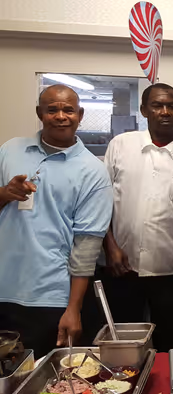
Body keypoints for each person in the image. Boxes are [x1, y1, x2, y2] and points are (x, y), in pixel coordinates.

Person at [86, 83, 173, 351]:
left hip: (171, 272)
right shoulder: (121, 146)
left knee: (171, 345)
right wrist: (110, 247)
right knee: (122, 347)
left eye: (171, 106)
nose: (165, 111)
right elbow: (100, 203)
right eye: (157, 105)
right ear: (143, 110)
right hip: (120, 267)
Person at [0, 85, 112, 354]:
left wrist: (73, 308)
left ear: (80, 115)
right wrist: (4, 194)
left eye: (68, 109)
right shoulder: (9, 150)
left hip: (50, 296)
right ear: (40, 113)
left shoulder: (93, 172)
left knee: (41, 379)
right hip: (3, 288)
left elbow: (86, 248)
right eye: (52, 109)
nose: (61, 116)